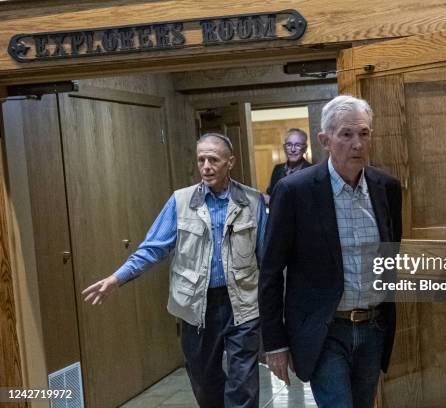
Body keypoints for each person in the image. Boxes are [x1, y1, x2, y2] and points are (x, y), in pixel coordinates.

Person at [82, 133, 267, 408]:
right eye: (201, 159)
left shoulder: (251, 202)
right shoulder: (180, 202)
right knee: (205, 385)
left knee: (243, 386)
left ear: (231, 162)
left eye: (213, 160)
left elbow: (267, 256)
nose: (206, 166)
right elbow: (153, 248)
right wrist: (116, 278)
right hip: (196, 307)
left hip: (242, 303)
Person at [258, 95, 402, 408]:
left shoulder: (386, 188)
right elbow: (270, 272)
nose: (357, 144)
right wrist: (275, 343)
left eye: (364, 133)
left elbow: (392, 255)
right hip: (323, 332)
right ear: (325, 140)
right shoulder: (295, 191)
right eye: (346, 134)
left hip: (373, 327)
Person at [264, 128, 312, 204]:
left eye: (297, 145)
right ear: (284, 148)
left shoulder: (312, 171)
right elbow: (270, 194)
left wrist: (273, 201)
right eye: (289, 145)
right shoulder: (277, 169)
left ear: (305, 149)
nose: (293, 149)